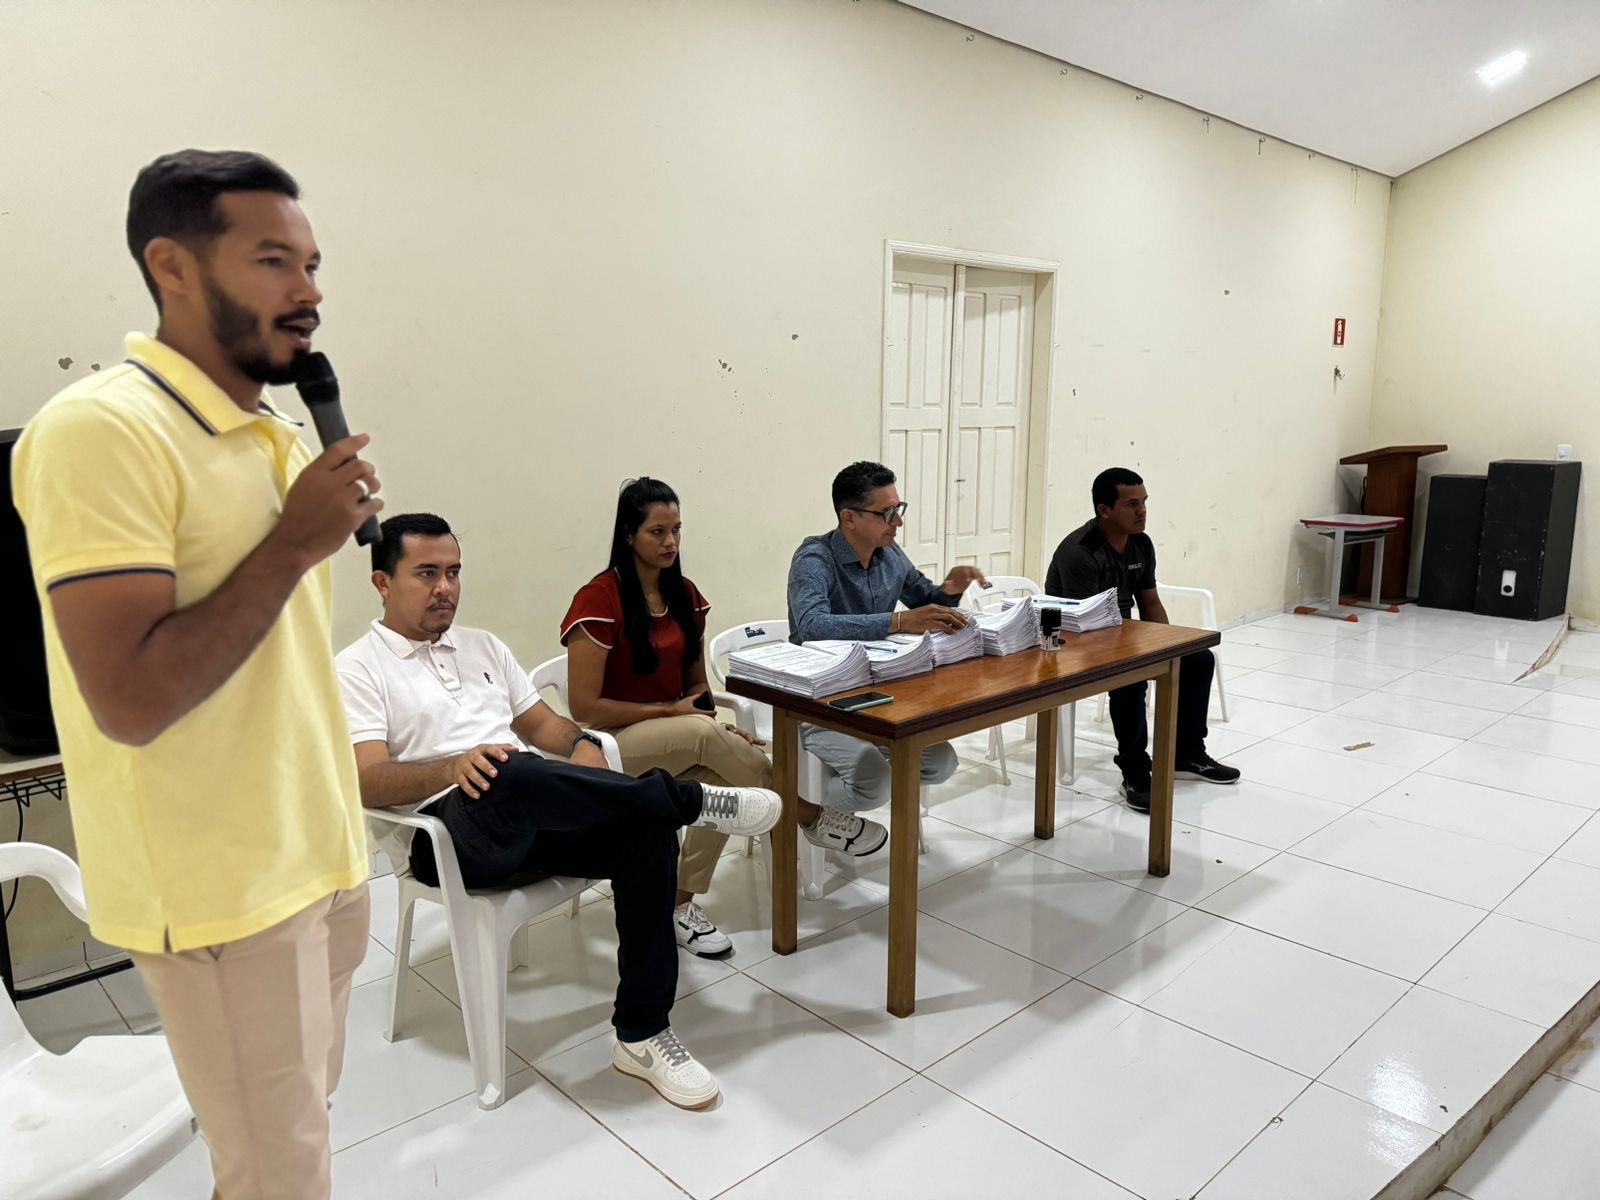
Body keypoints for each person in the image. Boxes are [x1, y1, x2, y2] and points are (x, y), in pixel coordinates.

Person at [12, 150, 381, 1198]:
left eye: (311, 264)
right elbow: (129, 699)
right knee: (276, 1176)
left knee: (298, 1138)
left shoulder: (273, 432)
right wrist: (295, 542)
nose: (307, 292)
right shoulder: (99, 433)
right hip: (223, 893)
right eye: (273, 261)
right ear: (171, 267)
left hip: (318, 854)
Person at [336, 513, 779, 1110]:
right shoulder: (358, 668)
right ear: (382, 582)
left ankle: (642, 1033)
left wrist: (581, 744)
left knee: (644, 832)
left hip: (525, 813)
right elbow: (365, 780)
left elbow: (545, 727)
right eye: (427, 573)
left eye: (454, 572)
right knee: (507, 768)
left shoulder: (483, 646)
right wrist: (452, 768)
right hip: (446, 836)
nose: (445, 588)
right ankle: (692, 801)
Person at [561, 478, 772, 958]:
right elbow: (584, 707)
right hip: (612, 744)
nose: (670, 542)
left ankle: (677, 905)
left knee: (725, 781)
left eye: (676, 530)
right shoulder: (598, 599)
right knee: (703, 736)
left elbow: (697, 689)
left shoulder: (684, 595)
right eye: (657, 532)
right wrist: (675, 714)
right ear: (629, 534)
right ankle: (804, 814)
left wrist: (715, 727)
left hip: (677, 734)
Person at [786, 461, 985, 855]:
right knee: (875, 783)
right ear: (850, 518)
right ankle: (796, 806)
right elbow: (810, 625)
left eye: (899, 509)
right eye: (887, 513)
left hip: (880, 695)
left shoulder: (889, 553)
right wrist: (896, 621)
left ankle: (827, 794)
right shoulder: (814, 558)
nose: (898, 522)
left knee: (941, 762)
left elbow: (924, 600)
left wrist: (949, 590)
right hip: (824, 700)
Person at [1045, 468, 1240, 811]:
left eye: (1144, 502)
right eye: (1131, 504)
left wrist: (1168, 645)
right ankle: (1134, 769)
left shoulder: (1141, 544)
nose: (1142, 511)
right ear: (1104, 510)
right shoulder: (1081, 552)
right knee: (1130, 677)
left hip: (1122, 635)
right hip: (1076, 643)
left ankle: (1187, 755)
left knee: (1198, 660)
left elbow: (1150, 602)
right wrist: (1137, 651)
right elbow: (1085, 623)